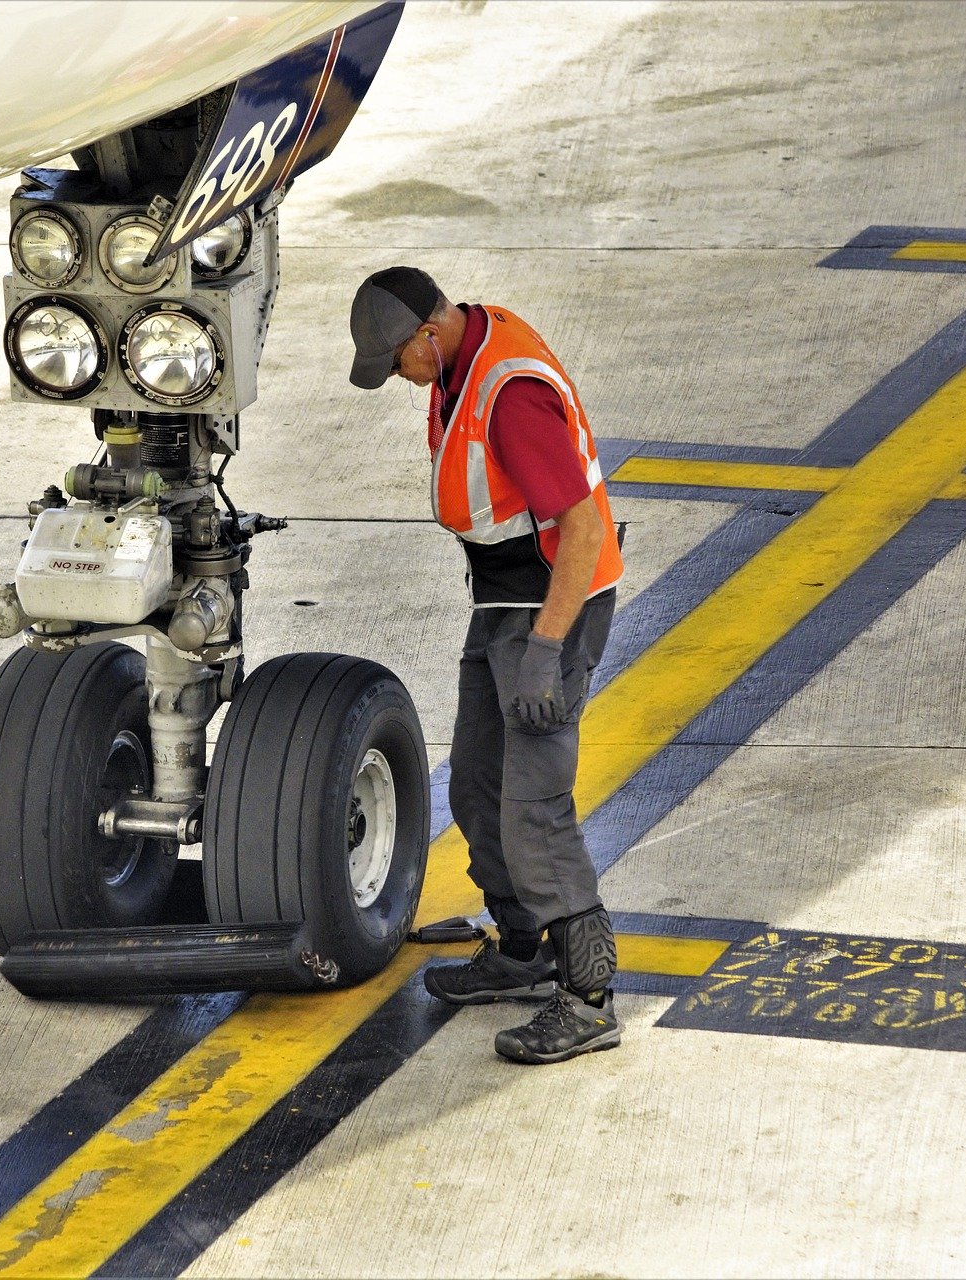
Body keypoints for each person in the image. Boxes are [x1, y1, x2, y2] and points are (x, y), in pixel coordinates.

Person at [348, 265, 624, 1065]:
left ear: (427, 339)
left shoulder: (510, 397)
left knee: (533, 803)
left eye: (398, 362)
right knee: (475, 782)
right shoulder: (461, 354)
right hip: (504, 605)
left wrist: (547, 650)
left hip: (552, 610)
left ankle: (589, 996)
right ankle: (524, 945)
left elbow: (577, 530)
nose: (401, 379)